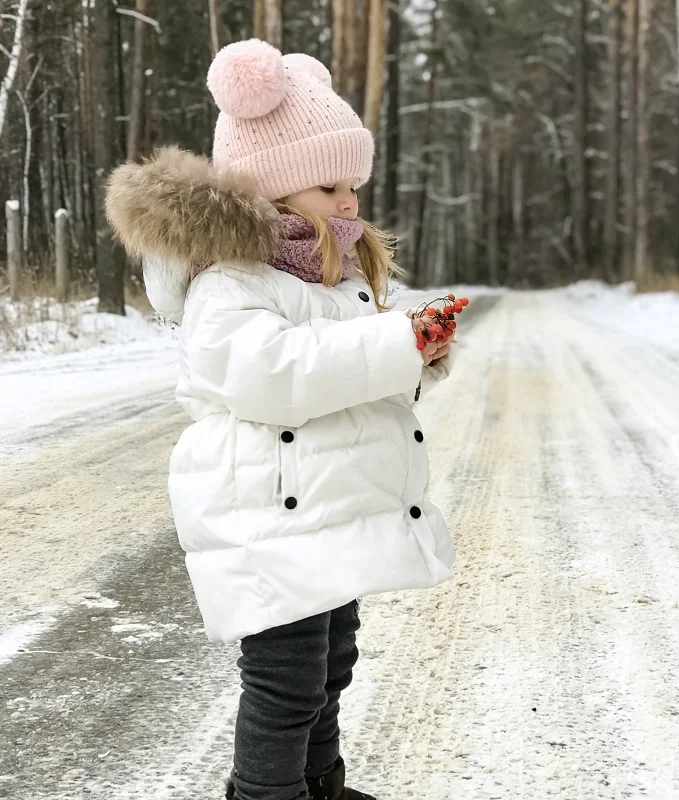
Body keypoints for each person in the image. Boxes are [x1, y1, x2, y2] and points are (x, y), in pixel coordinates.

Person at [107, 38, 456, 800]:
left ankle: (319, 783)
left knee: (333, 663)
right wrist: (392, 345)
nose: (349, 202)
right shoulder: (230, 282)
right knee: (285, 681)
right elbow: (274, 375)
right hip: (266, 513)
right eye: (328, 185)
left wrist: (415, 351)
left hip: (320, 509)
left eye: (353, 185)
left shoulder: (330, 274)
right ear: (270, 192)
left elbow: (349, 374)